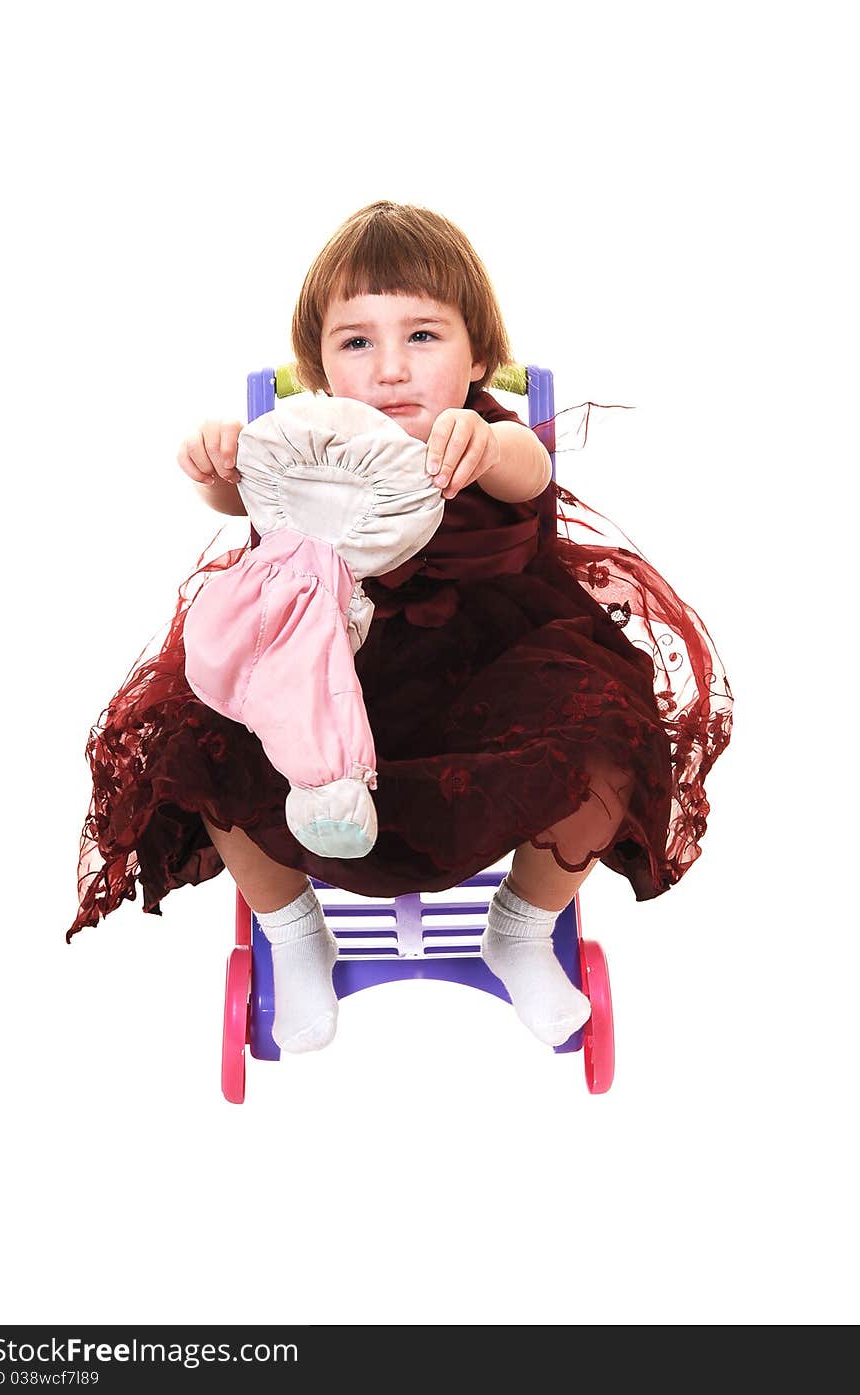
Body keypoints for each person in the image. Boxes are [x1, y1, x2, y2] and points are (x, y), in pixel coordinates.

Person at [68, 200, 733, 1056]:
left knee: (608, 738)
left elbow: (529, 475)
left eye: (423, 336)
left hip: (494, 668)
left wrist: (487, 448)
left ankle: (525, 925)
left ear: (479, 356)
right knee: (197, 739)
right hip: (328, 674)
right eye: (357, 342)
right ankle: (293, 933)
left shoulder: (489, 434)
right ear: (317, 372)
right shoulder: (303, 443)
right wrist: (219, 467)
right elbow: (245, 492)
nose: (390, 370)